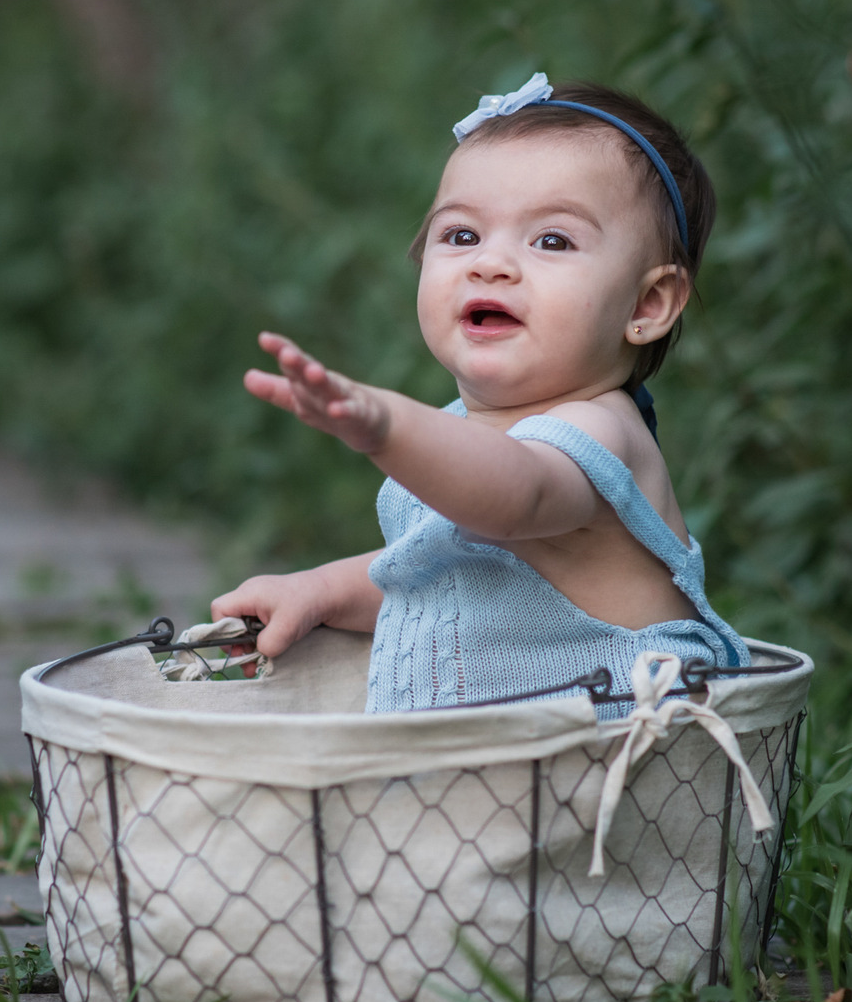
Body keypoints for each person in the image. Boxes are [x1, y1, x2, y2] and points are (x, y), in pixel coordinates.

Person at [210, 74, 749, 716]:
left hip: (617, 768)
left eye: (552, 240)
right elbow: (436, 579)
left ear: (648, 303)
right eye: (462, 235)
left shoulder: (602, 434)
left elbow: (515, 495)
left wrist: (388, 426)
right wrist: (320, 590)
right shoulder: (459, 434)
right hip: (482, 773)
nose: (489, 263)